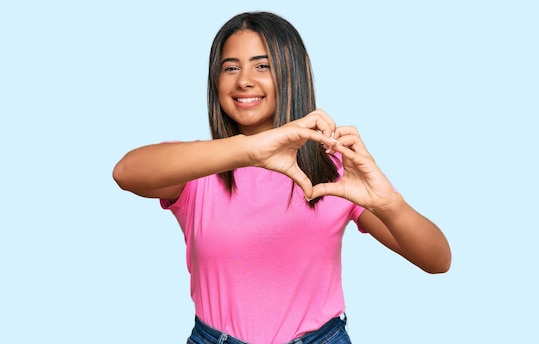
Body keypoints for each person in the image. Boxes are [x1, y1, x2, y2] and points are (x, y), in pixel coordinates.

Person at [113, 11, 451, 344]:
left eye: (263, 65)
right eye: (230, 67)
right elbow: (125, 172)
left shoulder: (335, 169)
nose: (244, 80)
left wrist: (389, 203)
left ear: (291, 75)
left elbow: (437, 260)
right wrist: (251, 150)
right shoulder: (197, 167)